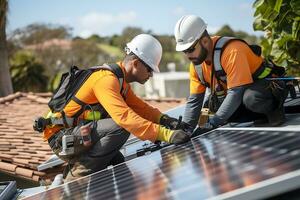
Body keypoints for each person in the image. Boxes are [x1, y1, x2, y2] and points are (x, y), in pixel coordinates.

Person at [43, 34, 190, 182]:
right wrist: (166, 135)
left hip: (77, 134)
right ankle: (74, 181)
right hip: (61, 137)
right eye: (149, 69)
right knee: (121, 127)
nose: (151, 75)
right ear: (136, 63)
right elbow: (125, 118)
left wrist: (166, 120)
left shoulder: (121, 83)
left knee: (117, 160)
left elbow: (141, 108)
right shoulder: (106, 80)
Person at [174, 15, 288, 130]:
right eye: (184, 51)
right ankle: (256, 115)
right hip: (240, 95)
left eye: (190, 49)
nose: (188, 55)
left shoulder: (232, 51)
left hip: (266, 88)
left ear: (204, 41)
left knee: (252, 98)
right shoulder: (196, 65)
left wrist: (213, 123)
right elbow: (195, 100)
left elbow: (236, 92)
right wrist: (186, 129)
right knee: (212, 106)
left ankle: (275, 110)